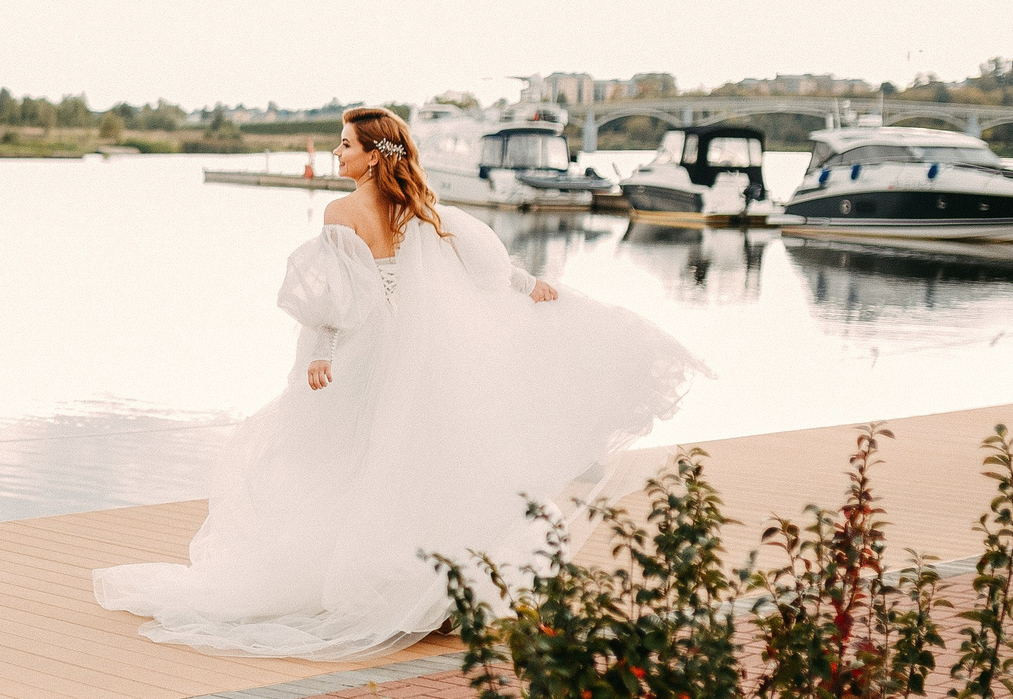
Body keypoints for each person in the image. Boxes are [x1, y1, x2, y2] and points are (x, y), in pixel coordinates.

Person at [93, 105, 703, 660]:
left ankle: (385, 588)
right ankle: (434, 593)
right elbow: (485, 267)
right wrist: (530, 287)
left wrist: (322, 354)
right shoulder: (424, 208)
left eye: (345, 144)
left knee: (352, 462)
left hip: (370, 353)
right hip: (426, 351)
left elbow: (336, 300)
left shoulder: (341, 212)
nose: (337, 154)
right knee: (423, 462)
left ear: (372, 154)